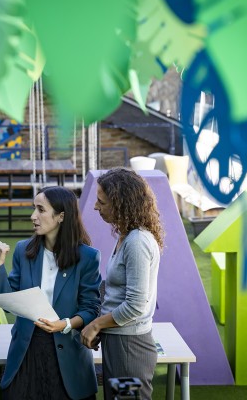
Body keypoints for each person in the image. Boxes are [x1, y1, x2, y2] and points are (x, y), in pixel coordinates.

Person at [0, 186, 102, 400]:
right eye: (34, 208)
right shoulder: (23, 250)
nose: (33, 216)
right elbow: (8, 301)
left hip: (67, 352)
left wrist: (65, 324)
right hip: (26, 350)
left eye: (41, 210)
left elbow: (90, 308)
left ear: (61, 216)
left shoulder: (88, 257)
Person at [81, 167, 165, 400]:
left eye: (102, 202)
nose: (95, 207)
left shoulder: (137, 242)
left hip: (129, 348)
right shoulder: (127, 236)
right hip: (120, 341)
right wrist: (104, 327)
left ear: (121, 204)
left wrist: (96, 325)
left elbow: (136, 305)